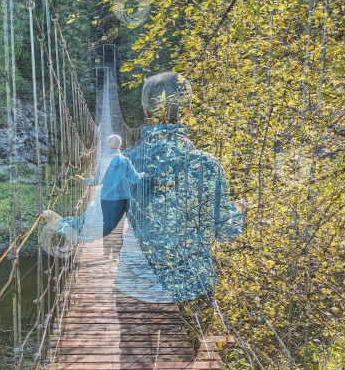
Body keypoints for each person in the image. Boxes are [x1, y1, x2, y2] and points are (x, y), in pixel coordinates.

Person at [123, 71, 246, 304]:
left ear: (147, 113)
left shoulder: (125, 162)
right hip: (193, 290)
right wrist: (240, 210)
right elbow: (226, 232)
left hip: (137, 286)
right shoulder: (207, 164)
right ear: (186, 113)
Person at [74, 134, 144, 258]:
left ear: (107, 146)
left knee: (106, 224)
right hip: (123, 198)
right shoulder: (125, 160)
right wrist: (143, 174)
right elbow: (135, 178)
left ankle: (106, 253)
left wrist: (84, 180)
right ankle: (116, 255)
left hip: (106, 198)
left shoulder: (103, 161)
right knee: (119, 227)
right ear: (120, 145)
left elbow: (97, 181)